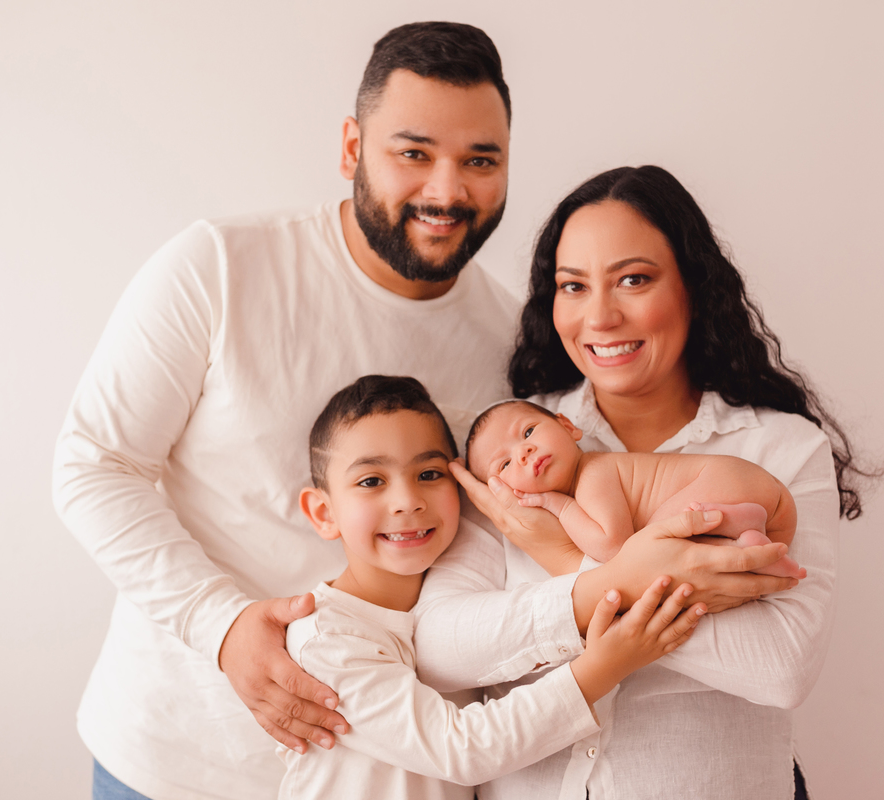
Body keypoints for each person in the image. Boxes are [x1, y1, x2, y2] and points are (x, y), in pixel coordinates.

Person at [53, 20, 794, 799]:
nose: (447, 191)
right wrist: (224, 627)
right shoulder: (221, 268)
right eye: (413, 154)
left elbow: (499, 570)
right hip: (180, 759)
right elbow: (93, 466)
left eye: (480, 160)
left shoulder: (515, 350)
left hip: (395, 773)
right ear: (351, 149)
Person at [416, 165, 870, 799]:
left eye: (633, 279)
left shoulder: (781, 449)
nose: (599, 316)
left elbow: (781, 667)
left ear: (693, 286)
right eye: (573, 286)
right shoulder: (514, 451)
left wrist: (564, 563)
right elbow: (437, 646)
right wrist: (627, 583)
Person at [279, 375, 704, 800]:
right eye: (371, 481)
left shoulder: (465, 606)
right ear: (323, 512)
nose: (408, 500)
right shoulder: (326, 638)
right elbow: (461, 749)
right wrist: (601, 669)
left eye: (429, 473)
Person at [463, 399, 805, 578]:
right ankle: (745, 536)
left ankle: (738, 524)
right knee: (682, 561)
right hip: (762, 499)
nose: (523, 453)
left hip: (723, 481)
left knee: (652, 551)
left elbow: (614, 549)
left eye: (528, 433)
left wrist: (559, 506)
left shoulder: (593, 473)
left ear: (568, 426)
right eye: (504, 465)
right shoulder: (593, 477)